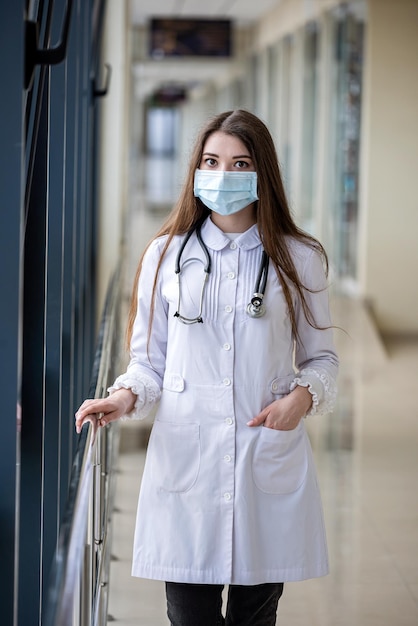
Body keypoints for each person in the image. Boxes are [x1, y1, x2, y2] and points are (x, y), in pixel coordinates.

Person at [75, 109, 338, 626]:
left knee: (255, 617)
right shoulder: (165, 254)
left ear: (263, 174)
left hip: (263, 459)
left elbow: (322, 359)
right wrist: (123, 396)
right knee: (189, 615)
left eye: (240, 163)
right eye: (212, 161)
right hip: (187, 466)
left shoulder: (299, 258)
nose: (223, 175)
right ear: (196, 170)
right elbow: (148, 362)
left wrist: (302, 398)